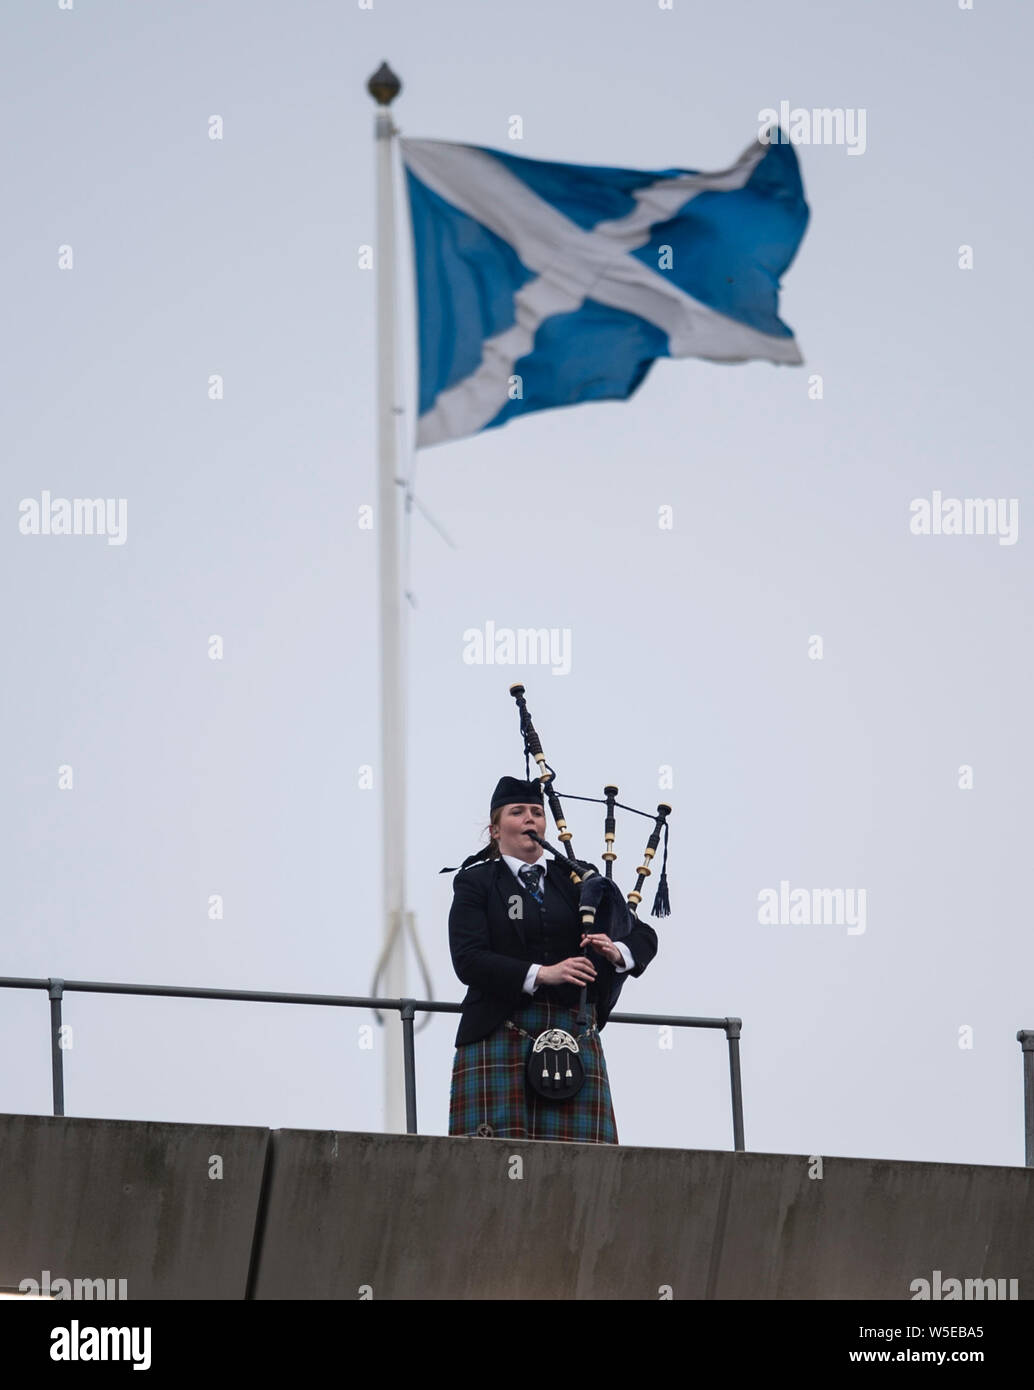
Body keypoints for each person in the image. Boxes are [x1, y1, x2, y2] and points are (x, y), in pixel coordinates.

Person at [447, 776, 658, 1143]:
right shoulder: (476, 883)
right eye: (518, 812)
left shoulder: (578, 879)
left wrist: (617, 950)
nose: (531, 819)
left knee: (584, 1169)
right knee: (494, 1169)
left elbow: (643, 936)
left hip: (573, 1034)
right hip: (499, 1032)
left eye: (537, 812)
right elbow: (468, 960)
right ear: (495, 830)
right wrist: (542, 973)